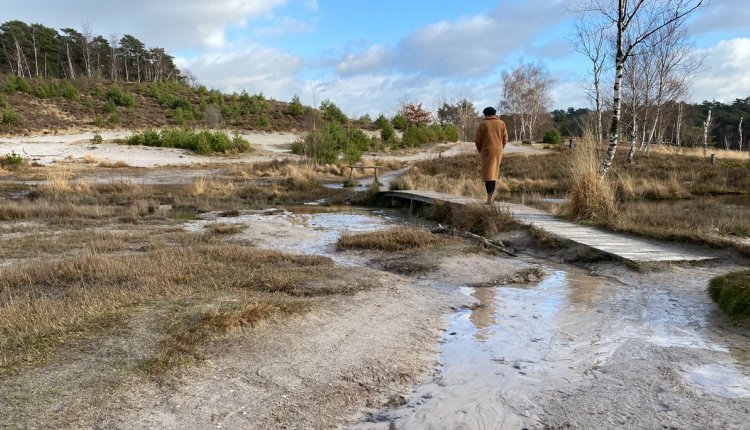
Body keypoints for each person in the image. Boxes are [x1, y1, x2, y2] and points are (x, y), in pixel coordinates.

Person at [474, 106, 508, 204]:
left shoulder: (483, 124)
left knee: (487, 174)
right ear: (494, 113)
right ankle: (491, 196)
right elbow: (505, 139)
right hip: (498, 151)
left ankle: (490, 196)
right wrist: (500, 148)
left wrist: (481, 150)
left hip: (486, 151)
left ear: (485, 114)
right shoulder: (501, 123)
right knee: (493, 173)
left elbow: (478, 140)